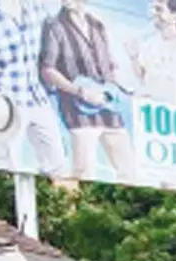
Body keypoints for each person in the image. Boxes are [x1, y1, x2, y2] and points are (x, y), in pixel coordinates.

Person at [0, 0, 67, 174]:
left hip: (35, 94)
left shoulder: (35, 6)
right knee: (6, 164)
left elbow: (56, 25)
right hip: (4, 99)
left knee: (56, 160)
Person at [39, 0, 136, 181]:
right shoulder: (54, 25)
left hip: (109, 108)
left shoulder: (97, 25)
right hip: (79, 110)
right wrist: (80, 92)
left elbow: (110, 65)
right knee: (84, 173)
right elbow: (47, 70)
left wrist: (120, 89)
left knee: (128, 170)